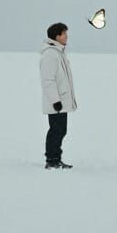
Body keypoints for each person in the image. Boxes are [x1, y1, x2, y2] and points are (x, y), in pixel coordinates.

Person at [39, 22, 77, 169]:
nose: (67, 36)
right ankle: (52, 160)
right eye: (64, 34)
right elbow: (48, 80)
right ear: (57, 36)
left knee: (61, 130)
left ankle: (56, 158)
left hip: (61, 100)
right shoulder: (50, 55)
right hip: (56, 102)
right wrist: (55, 100)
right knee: (56, 130)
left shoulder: (58, 52)